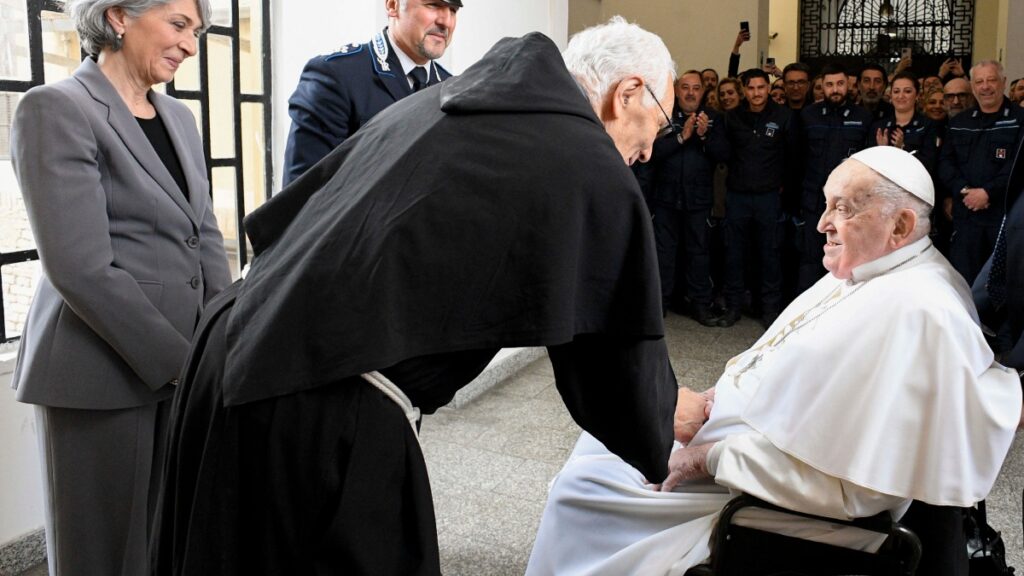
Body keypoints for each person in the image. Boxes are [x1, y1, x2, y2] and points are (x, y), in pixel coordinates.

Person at [152, 18, 682, 575]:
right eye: (662, 123)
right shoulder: (586, 158)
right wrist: (663, 415)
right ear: (627, 94)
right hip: (315, 397)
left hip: (237, 340)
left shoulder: (452, 99)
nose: (649, 151)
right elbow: (610, 359)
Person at [526, 146, 1021, 576]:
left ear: (901, 225)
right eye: (826, 205)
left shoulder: (919, 311)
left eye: (843, 209)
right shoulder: (872, 269)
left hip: (771, 493)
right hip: (758, 449)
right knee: (601, 444)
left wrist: (709, 456)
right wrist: (725, 398)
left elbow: (852, 488)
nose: (823, 223)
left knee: (584, 492)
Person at [8, 0, 232, 574]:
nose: (190, 43)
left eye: (197, 32)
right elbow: (80, 267)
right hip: (98, 373)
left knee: (166, 546)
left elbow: (202, 236)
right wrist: (185, 365)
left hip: (183, 365)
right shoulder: (55, 108)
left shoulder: (179, 118)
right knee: (103, 558)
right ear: (118, 17)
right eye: (179, 25)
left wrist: (221, 342)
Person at [282, 0, 461, 185]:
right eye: (433, 5)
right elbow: (302, 196)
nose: (446, 22)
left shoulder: (454, 89)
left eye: (453, 10)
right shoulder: (337, 75)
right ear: (393, 5)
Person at [642, 70, 729, 325]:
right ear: (677, 90)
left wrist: (704, 136)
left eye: (696, 88)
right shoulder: (663, 116)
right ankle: (659, 306)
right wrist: (682, 137)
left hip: (699, 200)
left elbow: (723, 154)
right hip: (666, 199)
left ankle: (700, 305)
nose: (690, 93)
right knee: (663, 254)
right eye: (685, 87)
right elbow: (651, 153)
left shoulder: (714, 119)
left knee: (699, 254)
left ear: (703, 92)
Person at [719, 68, 798, 328]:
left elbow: (792, 157)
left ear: (769, 88)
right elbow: (724, 154)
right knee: (734, 253)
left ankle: (770, 311)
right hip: (738, 195)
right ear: (744, 90)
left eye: (761, 87)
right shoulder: (731, 118)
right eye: (751, 88)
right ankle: (733, 307)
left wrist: (784, 187)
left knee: (770, 254)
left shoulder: (784, 116)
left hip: (768, 197)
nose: (756, 93)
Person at [939, 60, 1024, 284]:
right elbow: (946, 163)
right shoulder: (959, 122)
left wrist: (987, 193)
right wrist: (965, 190)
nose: (985, 86)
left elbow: (1019, 165)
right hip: (966, 220)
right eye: (979, 81)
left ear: (1003, 82)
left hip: (1004, 219)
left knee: (1004, 285)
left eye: (991, 80)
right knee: (964, 283)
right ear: (973, 87)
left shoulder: (1020, 119)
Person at [797, 63, 872, 292]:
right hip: (814, 203)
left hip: (849, 206)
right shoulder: (808, 116)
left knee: (847, 261)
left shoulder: (863, 117)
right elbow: (796, 160)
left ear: (848, 85)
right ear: (822, 87)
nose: (835, 89)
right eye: (829, 85)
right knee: (809, 261)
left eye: (840, 84)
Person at [871, 71, 939, 174]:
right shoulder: (879, 127)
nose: (901, 96)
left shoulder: (928, 126)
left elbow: (930, 165)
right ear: (890, 95)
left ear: (917, 96)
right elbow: (869, 166)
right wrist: (883, 151)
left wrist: (903, 148)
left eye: (907, 91)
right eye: (896, 91)